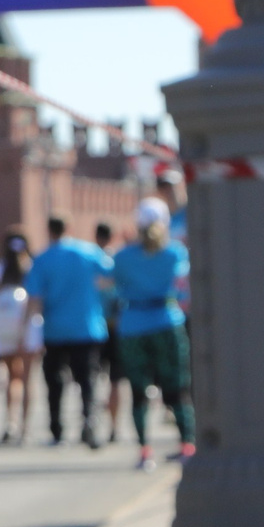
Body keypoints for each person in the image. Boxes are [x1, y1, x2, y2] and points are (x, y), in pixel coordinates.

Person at [113, 198, 194, 467]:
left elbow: (112, 284)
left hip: (133, 325)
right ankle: (187, 444)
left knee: (138, 391)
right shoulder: (175, 252)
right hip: (166, 322)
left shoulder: (123, 257)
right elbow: (183, 281)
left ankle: (145, 451)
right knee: (177, 387)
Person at [27, 215, 111, 448]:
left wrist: (27, 328)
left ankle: (56, 428)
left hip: (55, 330)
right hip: (86, 327)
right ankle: (90, 421)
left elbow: (34, 297)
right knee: (88, 380)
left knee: (54, 381)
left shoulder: (43, 259)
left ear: (49, 230)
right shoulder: (89, 252)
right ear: (70, 228)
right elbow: (111, 277)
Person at [0, 230, 42, 445]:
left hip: (4, 328)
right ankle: (25, 427)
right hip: (28, 327)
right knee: (27, 378)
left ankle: (10, 422)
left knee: (10, 376)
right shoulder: (33, 266)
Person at [94, 219, 127, 444]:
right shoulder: (119, 260)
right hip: (118, 326)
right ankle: (114, 427)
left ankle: (93, 423)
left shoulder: (90, 260)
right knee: (116, 381)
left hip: (94, 327)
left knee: (92, 380)